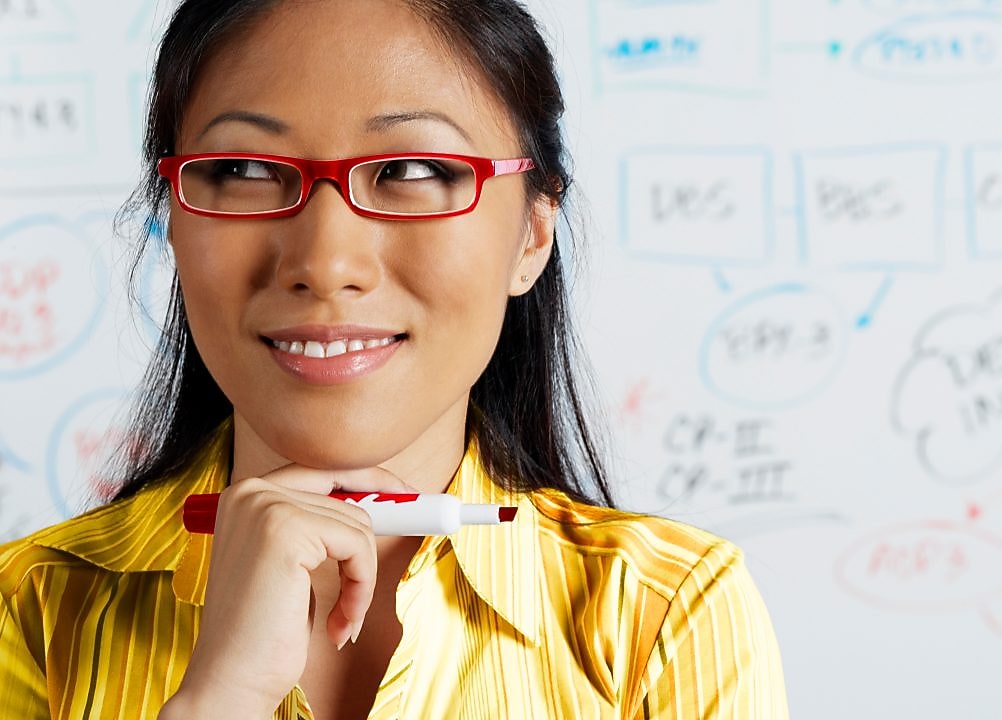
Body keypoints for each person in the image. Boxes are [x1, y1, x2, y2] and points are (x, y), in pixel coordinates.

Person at [0, 1, 789, 718]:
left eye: (414, 171)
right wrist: (220, 698)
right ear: (170, 217)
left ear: (533, 234)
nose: (326, 260)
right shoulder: (27, 609)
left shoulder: (665, 611)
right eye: (243, 170)